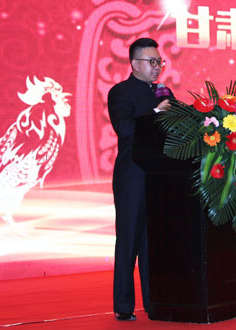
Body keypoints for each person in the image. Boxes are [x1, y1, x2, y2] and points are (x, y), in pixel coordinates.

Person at [107, 37, 172, 321]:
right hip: (132, 178)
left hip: (160, 179)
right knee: (129, 241)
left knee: (154, 245)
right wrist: (156, 113)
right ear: (135, 64)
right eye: (152, 61)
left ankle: (154, 301)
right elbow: (124, 128)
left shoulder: (163, 93)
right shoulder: (120, 92)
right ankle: (123, 306)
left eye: (160, 61)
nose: (157, 67)